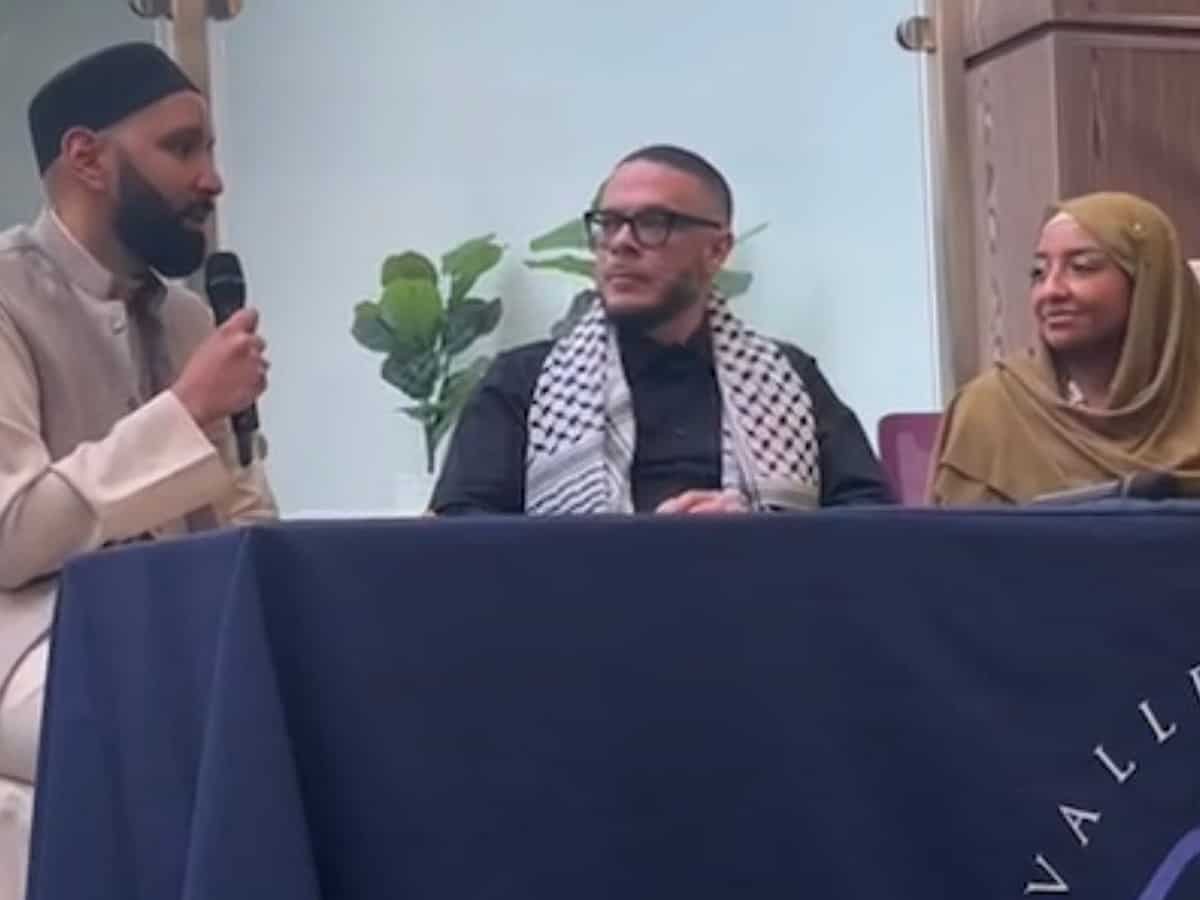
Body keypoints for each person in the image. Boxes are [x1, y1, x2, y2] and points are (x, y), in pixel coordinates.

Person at [0, 43, 278, 896]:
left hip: (184, 628)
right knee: (172, 728)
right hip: (29, 642)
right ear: (87, 158)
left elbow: (246, 520)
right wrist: (185, 412)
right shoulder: (5, 300)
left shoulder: (190, 318)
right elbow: (11, 537)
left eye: (210, 149)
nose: (212, 180)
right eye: (182, 147)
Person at [431, 144, 891, 515]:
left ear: (717, 251)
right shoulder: (521, 381)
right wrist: (644, 548)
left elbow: (870, 518)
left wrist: (755, 531)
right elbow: (463, 535)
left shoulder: (787, 376)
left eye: (653, 224)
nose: (620, 243)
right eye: (609, 223)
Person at [929, 191, 1200, 505]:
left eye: (1081, 267)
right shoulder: (993, 408)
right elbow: (958, 535)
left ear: (1149, 285)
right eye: (1039, 273)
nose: (1051, 291)